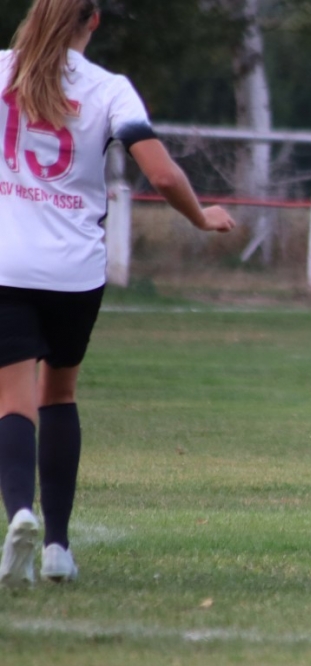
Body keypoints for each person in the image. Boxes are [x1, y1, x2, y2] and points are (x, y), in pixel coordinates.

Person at [0, 0, 235, 588]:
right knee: (59, 393)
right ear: (94, 21)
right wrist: (201, 216)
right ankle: (57, 547)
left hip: (6, 263)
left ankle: (19, 511)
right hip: (75, 270)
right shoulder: (109, 89)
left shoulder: (2, 68)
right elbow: (162, 174)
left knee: (11, 401)